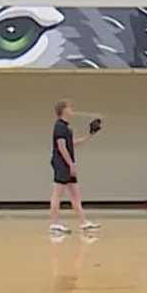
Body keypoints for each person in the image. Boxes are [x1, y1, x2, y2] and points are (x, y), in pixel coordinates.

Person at [49, 100, 101, 234]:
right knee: (57, 193)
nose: (72, 109)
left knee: (75, 195)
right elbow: (61, 147)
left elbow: (72, 144)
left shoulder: (66, 127)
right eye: (70, 107)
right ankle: (54, 224)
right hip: (61, 163)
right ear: (63, 110)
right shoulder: (59, 126)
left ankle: (84, 223)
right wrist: (71, 164)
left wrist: (91, 134)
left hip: (68, 163)